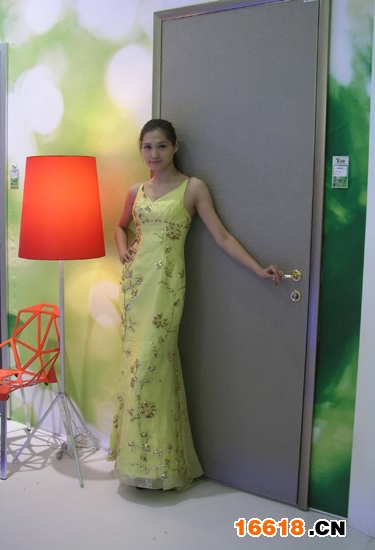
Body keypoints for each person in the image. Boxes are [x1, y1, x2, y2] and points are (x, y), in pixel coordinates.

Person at [107, 119, 283, 491]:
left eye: (161, 146)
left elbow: (222, 236)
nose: (154, 154)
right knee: (137, 366)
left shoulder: (193, 188)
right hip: (136, 287)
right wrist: (123, 251)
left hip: (167, 289)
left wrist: (257, 269)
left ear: (174, 147)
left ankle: (156, 464)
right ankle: (141, 463)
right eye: (147, 147)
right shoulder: (136, 190)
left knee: (150, 367)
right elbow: (119, 226)